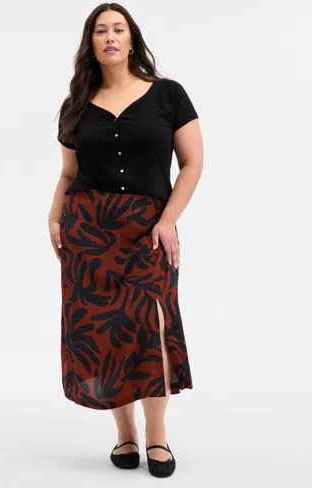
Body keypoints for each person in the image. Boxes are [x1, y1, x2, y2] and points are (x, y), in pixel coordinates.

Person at [48, 3, 203, 478]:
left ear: (132, 39)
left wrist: (168, 220)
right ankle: (125, 435)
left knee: (152, 325)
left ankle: (157, 435)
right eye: (101, 30)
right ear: (91, 43)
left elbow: (192, 163)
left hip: (148, 228)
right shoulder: (76, 105)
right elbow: (68, 173)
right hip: (88, 230)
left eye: (119, 29)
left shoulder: (168, 94)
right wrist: (54, 218)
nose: (110, 36)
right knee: (104, 333)